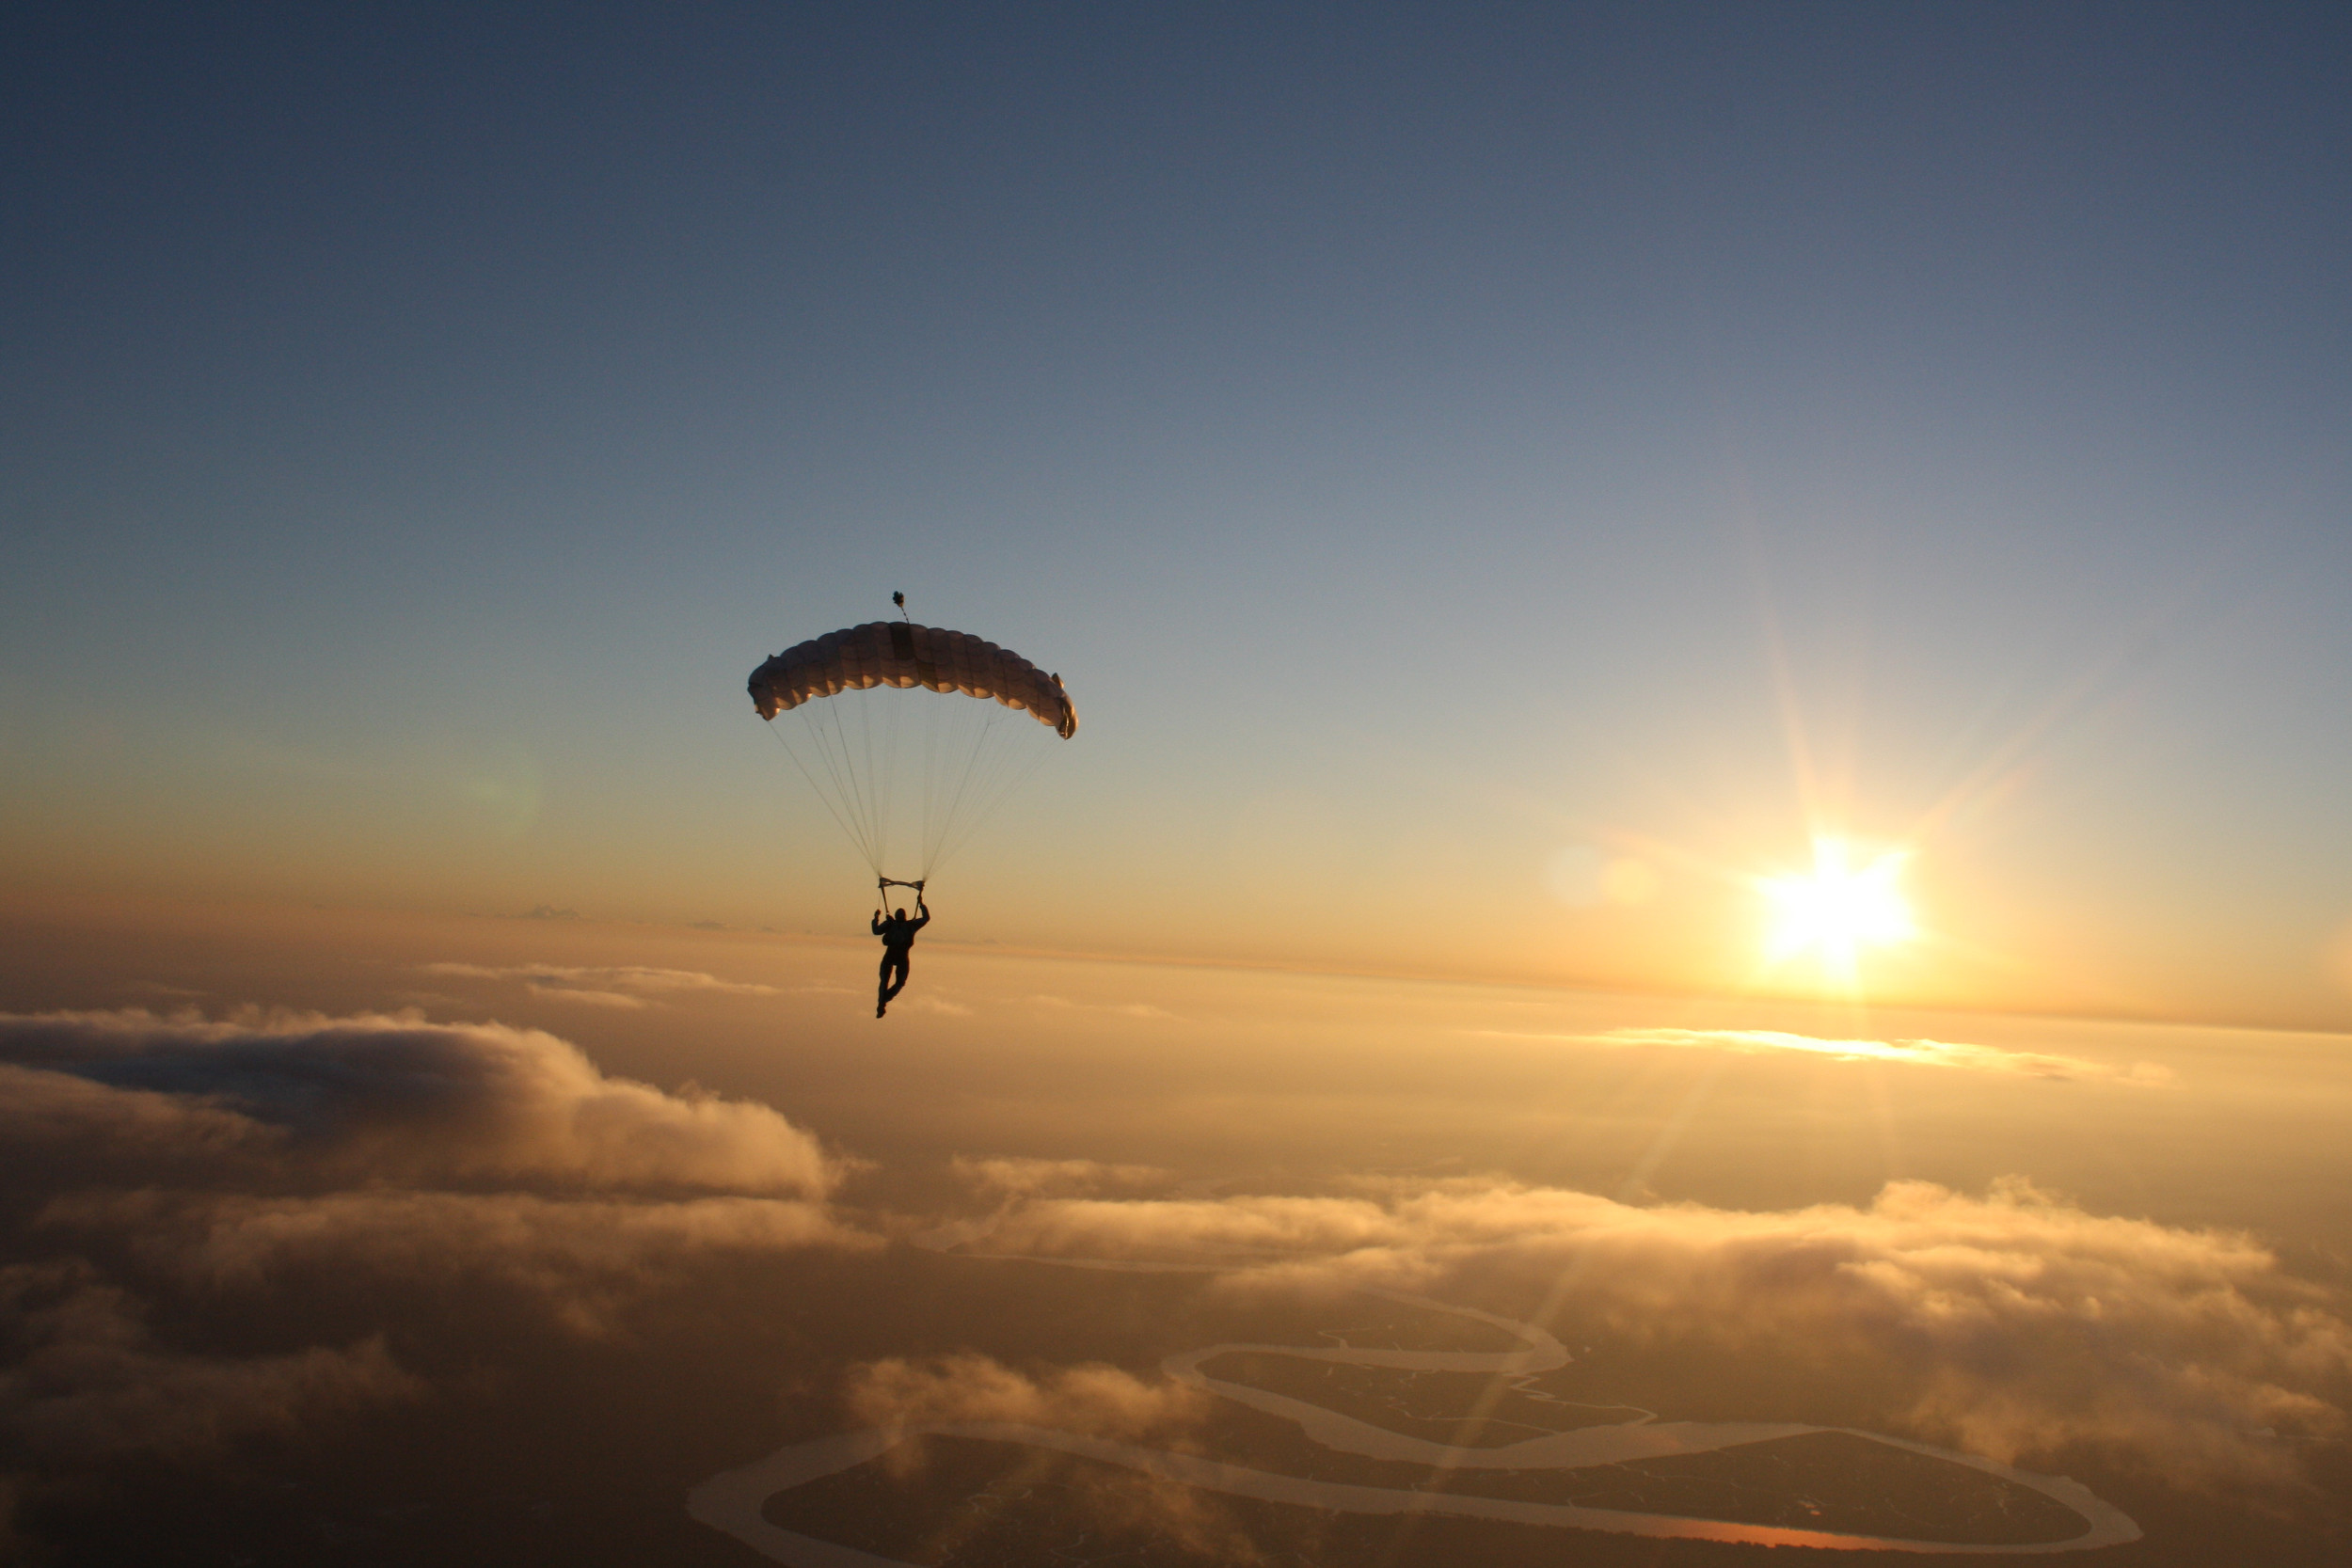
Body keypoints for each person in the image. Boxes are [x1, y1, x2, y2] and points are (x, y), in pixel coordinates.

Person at [871, 891, 930, 1017]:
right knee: (899, 982)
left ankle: (882, 1001)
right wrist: (921, 904)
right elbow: (926, 918)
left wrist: (876, 917)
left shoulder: (891, 924)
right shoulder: (911, 925)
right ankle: (884, 1000)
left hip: (892, 956)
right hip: (901, 957)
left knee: (885, 981)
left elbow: (876, 931)